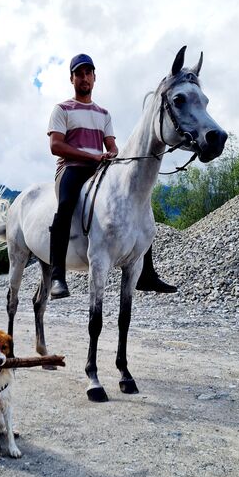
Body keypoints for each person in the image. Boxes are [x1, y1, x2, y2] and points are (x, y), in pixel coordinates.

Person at [47, 53, 177, 300]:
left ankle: (147, 273)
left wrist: (112, 154)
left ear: (94, 78)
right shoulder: (62, 109)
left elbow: (111, 146)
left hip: (98, 167)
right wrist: (91, 156)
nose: (84, 78)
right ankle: (57, 276)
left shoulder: (104, 113)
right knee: (64, 206)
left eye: (88, 73)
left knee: (137, 203)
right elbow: (56, 146)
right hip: (71, 168)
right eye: (79, 74)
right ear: (72, 79)